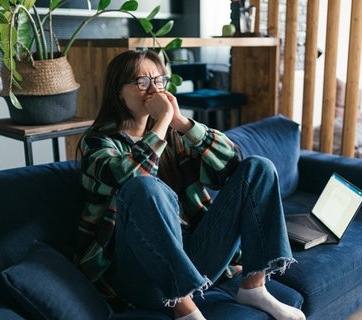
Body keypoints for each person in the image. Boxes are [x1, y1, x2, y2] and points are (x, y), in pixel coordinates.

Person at [75, 49, 304, 320]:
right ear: (118, 91)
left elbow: (233, 164)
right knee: (145, 187)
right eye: (141, 82)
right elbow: (132, 175)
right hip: (140, 272)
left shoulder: (176, 137)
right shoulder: (97, 143)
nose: (153, 90)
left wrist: (181, 123)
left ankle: (254, 287)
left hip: (194, 260)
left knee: (259, 167)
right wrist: (161, 123)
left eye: (158, 81)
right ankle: (185, 310)